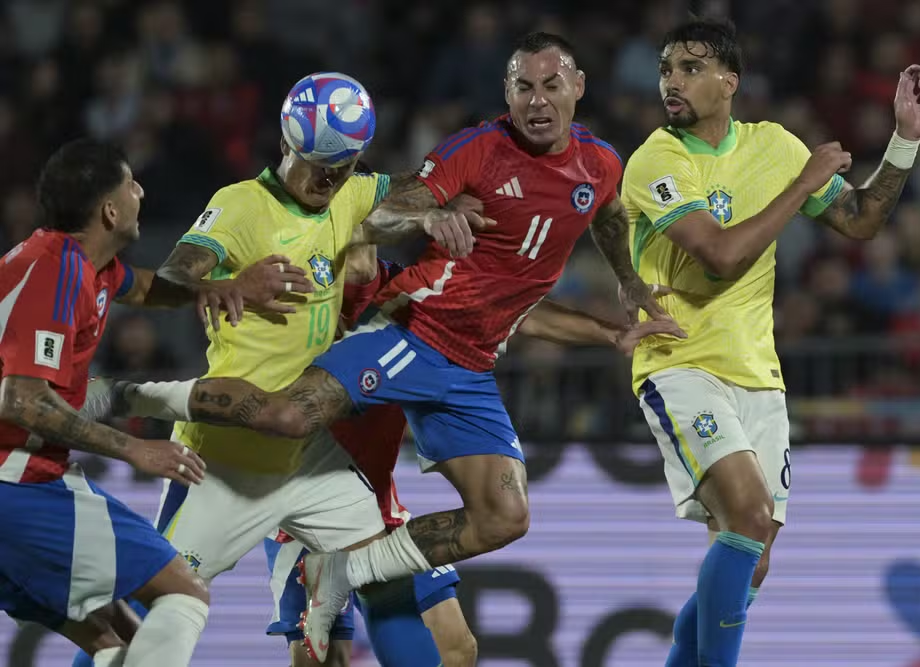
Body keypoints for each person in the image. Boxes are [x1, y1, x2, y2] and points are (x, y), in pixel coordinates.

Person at [113, 32, 682, 662]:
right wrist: (228, 282)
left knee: (459, 636)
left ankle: (339, 572)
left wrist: (620, 300)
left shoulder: (364, 197)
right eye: (524, 85)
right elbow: (171, 280)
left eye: (342, 166)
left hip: (351, 473)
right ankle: (125, 397)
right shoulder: (247, 207)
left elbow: (477, 274)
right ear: (285, 145)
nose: (328, 179)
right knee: (194, 611)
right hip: (240, 455)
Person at [620, 19, 920, 667]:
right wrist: (801, 186)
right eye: (667, 69)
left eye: (690, 67)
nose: (672, 81)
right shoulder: (658, 158)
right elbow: (718, 256)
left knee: (752, 557)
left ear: (728, 82)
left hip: (758, 377)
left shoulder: (774, 146)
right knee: (748, 513)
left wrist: (903, 141)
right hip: (679, 364)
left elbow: (860, 220)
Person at [260, 250, 674, 667]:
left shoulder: (404, 289)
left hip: (379, 501)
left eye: (366, 231)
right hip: (308, 501)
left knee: (457, 649)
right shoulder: (301, 296)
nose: (361, 240)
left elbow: (510, 313)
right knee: (326, 658)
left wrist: (612, 332)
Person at [0, 138, 302, 667]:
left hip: (25, 484)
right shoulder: (55, 273)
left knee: (119, 643)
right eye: (131, 183)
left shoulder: (81, 265)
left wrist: (227, 286)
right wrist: (134, 450)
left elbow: (144, 288)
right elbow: (22, 400)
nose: (142, 191)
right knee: (183, 593)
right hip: (19, 486)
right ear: (110, 210)